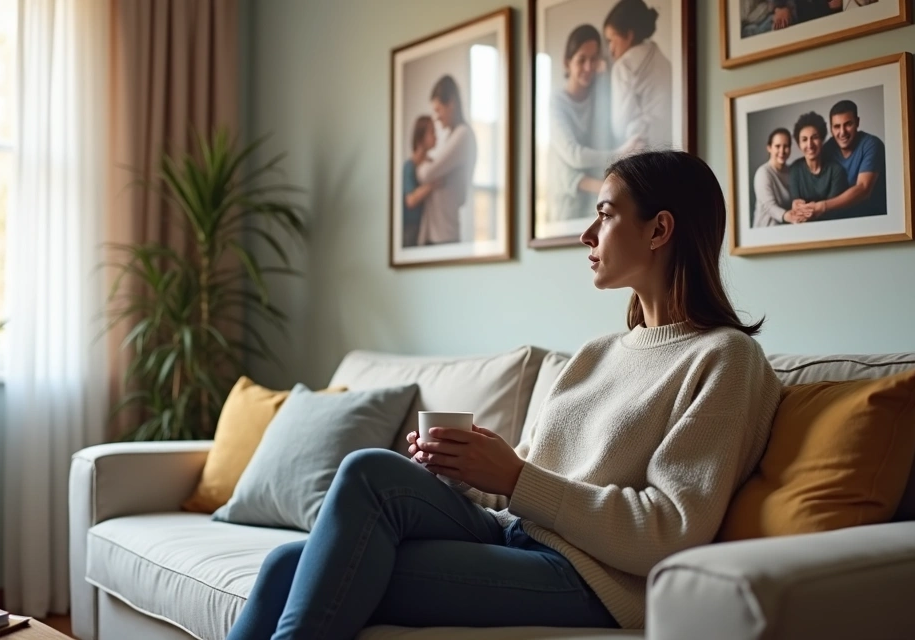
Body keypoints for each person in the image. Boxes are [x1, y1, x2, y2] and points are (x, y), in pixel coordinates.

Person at [226, 150, 782, 638]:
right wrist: (468, 467)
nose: (587, 235)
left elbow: (669, 529)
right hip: (515, 537)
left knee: (295, 568)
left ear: (660, 230)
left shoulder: (724, 359)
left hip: (590, 582)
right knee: (334, 509)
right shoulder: (598, 353)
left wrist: (516, 479)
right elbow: (530, 478)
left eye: (606, 214)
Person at [548, 24, 617, 222]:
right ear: (567, 62)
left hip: (599, 206)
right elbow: (574, 156)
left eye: (594, 59)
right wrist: (620, 153)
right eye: (581, 60)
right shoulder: (556, 103)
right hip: (567, 209)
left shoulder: (600, 95)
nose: (589, 67)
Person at [797, 99, 886, 220]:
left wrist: (822, 206)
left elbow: (863, 189)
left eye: (848, 124)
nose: (842, 132)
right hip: (839, 223)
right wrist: (798, 203)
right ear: (831, 128)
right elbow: (814, 181)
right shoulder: (828, 148)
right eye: (837, 126)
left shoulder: (872, 145)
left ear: (857, 122)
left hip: (874, 220)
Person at [604, 0, 672, 152]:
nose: (610, 48)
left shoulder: (623, 66)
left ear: (628, 35)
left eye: (611, 40)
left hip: (638, 152)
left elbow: (619, 126)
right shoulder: (664, 61)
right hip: (667, 149)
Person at [416, 75, 477, 245]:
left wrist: (421, 164)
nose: (436, 117)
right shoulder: (450, 136)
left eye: (438, 110)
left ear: (451, 103)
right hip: (435, 232)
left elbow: (427, 173)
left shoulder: (462, 135)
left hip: (444, 234)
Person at [786, 111, 848, 223]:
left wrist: (810, 212)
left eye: (814, 137)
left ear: (822, 140)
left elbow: (832, 211)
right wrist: (799, 208)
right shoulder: (794, 169)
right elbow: (797, 205)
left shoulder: (836, 171)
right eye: (804, 140)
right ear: (799, 144)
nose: (810, 145)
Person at [402, 115, 436, 247]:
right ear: (421, 136)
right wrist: (431, 185)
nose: (435, 136)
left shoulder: (432, 165)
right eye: (432, 132)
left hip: (428, 227)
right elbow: (410, 200)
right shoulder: (409, 167)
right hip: (411, 229)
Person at [752, 127, 793, 227]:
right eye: (777, 146)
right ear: (769, 148)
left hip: (785, 232)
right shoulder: (763, 172)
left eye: (786, 146)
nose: (782, 151)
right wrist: (790, 216)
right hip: (764, 233)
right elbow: (769, 206)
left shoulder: (791, 171)